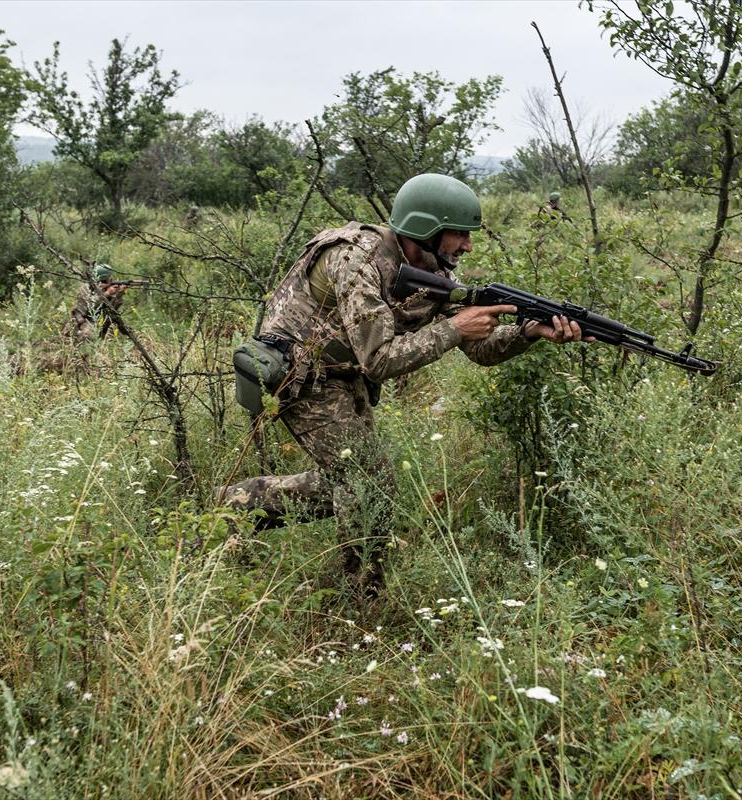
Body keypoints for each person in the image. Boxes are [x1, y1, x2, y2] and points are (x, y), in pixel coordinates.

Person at [221, 174, 588, 595]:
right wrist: (453, 327)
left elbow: (481, 350)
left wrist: (528, 333)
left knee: (349, 481)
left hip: (344, 374)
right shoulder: (356, 259)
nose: (467, 245)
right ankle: (359, 595)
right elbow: (378, 360)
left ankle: (237, 503)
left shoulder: (431, 267)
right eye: (460, 234)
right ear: (427, 228)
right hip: (303, 373)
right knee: (366, 481)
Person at [66, 264, 128, 344]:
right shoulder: (87, 288)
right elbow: (90, 307)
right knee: (89, 335)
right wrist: (107, 293)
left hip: (102, 319)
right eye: (110, 276)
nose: (112, 278)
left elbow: (113, 308)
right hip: (85, 320)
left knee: (121, 334)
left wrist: (119, 294)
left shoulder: (108, 287)